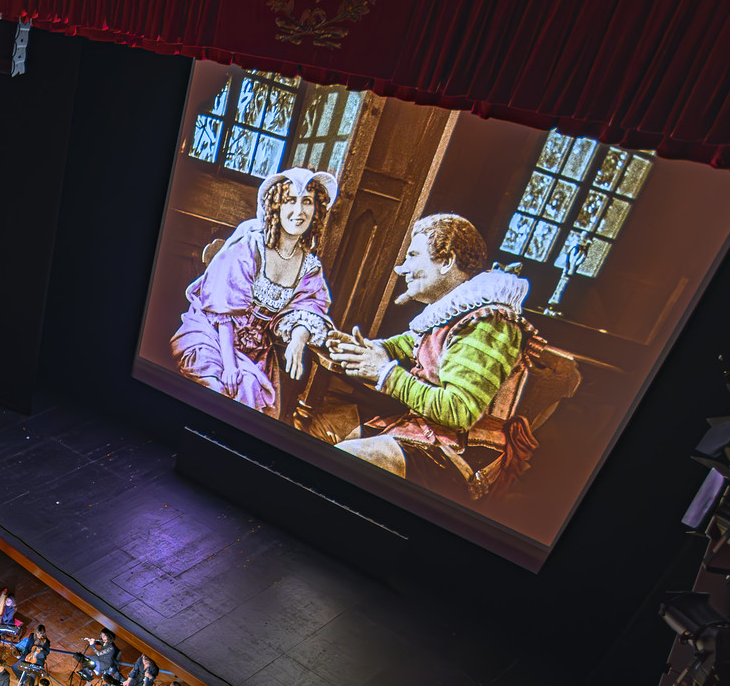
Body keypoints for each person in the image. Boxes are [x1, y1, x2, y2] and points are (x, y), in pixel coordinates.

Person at [329, 212, 537, 492]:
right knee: (319, 430)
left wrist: (384, 373)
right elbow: (408, 343)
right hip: (426, 434)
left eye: (413, 256)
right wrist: (367, 349)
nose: (402, 269)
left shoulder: (489, 323)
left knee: (341, 461)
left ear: (447, 261)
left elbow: (459, 412)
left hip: (461, 455)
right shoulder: (451, 312)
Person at [170, 166, 336, 416]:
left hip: (257, 352)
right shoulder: (251, 245)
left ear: (317, 210)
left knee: (247, 394)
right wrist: (229, 365)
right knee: (217, 387)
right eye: (290, 200)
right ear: (276, 206)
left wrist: (298, 339)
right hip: (213, 334)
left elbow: (309, 307)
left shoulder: (309, 267)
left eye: (307, 202)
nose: (299, 211)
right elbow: (223, 308)